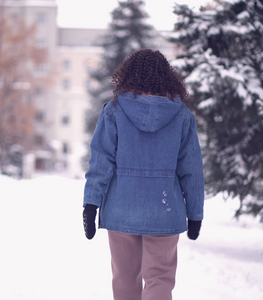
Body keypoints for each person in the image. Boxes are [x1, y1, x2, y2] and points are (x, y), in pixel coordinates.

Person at [82, 48, 205, 300]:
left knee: (125, 279)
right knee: (160, 279)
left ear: (127, 76)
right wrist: (195, 214)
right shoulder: (182, 116)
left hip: (121, 208)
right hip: (164, 210)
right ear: (167, 77)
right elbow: (192, 170)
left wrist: (91, 203)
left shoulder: (113, 111)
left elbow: (100, 161)